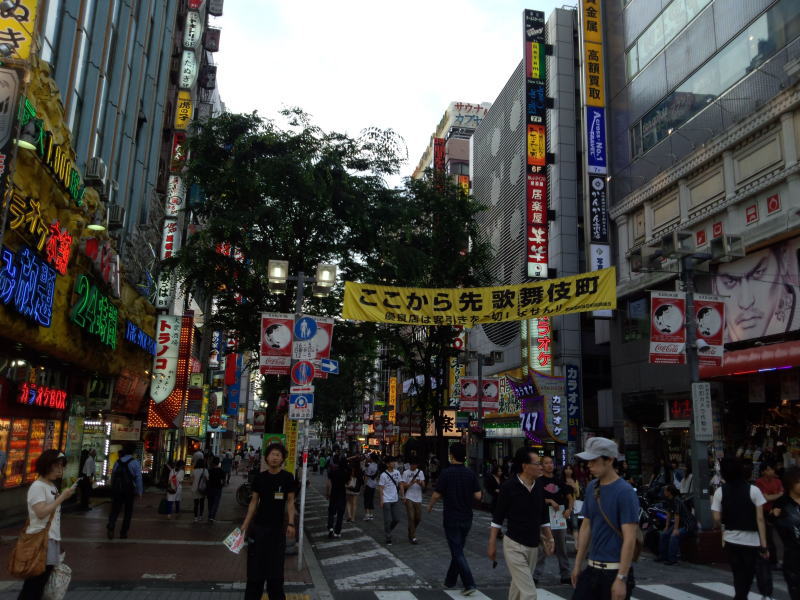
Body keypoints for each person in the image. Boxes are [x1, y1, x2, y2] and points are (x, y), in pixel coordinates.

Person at [571, 437, 639, 600]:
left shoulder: (625, 492)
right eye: (588, 461)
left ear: (609, 460)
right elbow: (586, 526)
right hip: (591, 569)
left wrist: (621, 578)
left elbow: (630, 538)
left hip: (614, 571)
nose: (589, 465)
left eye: (594, 460)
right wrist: (577, 564)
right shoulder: (592, 487)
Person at [488, 447, 555, 600]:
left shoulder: (539, 486)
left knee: (518, 588)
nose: (541, 467)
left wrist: (550, 538)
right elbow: (498, 517)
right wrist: (492, 543)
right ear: (525, 466)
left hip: (533, 545)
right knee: (529, 593)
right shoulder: (509, 487)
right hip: (514, 545)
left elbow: (543, 516)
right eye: (537, 464)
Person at [241, 443, 296, 600]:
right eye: (272, 454)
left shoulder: (287, 478)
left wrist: (291, 523)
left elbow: (290, 502)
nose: (274, 458)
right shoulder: (260, 478)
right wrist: (245, 525)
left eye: (278, 455)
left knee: (275, 574)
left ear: (282, 459)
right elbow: (254, 502)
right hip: (258, 530)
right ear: (266, 457)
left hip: (277, 532)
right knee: (255, 573)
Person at [711, 457, 770, 600]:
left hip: (731, 539)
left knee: (738, 574)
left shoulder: (720, 492)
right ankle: (741, 596)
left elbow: (717, 518)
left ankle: (740, 596)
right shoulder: (754, 490)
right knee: (748, 575)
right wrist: (764, 545)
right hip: (752, 541)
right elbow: (760, 519)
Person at [18, 450, 74, 600]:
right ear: (47, 465)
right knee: (34, 584)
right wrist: (61, 498)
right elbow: (41, 512)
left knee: (41, 583)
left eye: (61, 465)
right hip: (39, 541)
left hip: (50, 540)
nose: (60, 469)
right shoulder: (38, 486)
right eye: (57, 465)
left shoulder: (51, 486)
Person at [427, 443, 482, 596]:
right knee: (458, 549)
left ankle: (469, 583)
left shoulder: (446, 473)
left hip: (451, 516)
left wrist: (430, 506)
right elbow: (478, 496)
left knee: (457, 551)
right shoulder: (470, 473)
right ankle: (450, 580)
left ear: (451, 455)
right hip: (467, 516)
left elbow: (437, 494)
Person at [534, 455, 574, 585]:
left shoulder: (559, 481)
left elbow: (570, 497)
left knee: (562, 547)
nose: (549, 465)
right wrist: (550, 500)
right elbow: (535, 498)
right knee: (543, 547)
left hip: (559, 517)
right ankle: (535, 575)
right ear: (542, 466)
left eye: (551, 462)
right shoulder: (538, 482)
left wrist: (569, 509)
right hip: (545, 518)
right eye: (546, 463)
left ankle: (565, 574)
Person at [771, 465, 800, 600]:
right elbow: (772, 521)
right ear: (790, 484)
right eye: (798, 482)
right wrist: (774, 516)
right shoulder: (782, 503)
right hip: (793, 555)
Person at [106, 444, 143, 540]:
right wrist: (139, 491)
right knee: (128, 511)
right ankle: (123, 532)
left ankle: (111, 525)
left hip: (117, 489)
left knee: (115, 509)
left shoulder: (118, 462)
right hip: (129, 489)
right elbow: (138, 478)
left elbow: (113, 475)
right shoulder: (135, 462)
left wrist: (112, 487)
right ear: (133, 452)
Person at [755, 461, 784, 568]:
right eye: (768, 469)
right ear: (763, 472)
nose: (771, 471)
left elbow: (779, 495)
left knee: (781, 535)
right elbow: (765, 498)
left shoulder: (778, 481)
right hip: (764, 511)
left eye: (772, 469)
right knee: (768, 536)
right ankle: (771, 560)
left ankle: (779, 560)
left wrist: (774, 496)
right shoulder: (759, 482)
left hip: (777, 511)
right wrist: (778, 495)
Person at [656, 484, 692, 565]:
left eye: (665, 490)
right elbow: (668, 514)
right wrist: (666, 527)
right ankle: (662, 556)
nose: (664, 492)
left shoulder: (677, 501)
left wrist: (675, 529)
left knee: (673, 536)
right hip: (679, 524)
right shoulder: (668, 500)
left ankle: (672, 559)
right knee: (664, 534)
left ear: (669, 492)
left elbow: (677, 515)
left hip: (686, 524)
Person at [378, 456, 403, 545]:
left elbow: (400, 484)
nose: (394, 463)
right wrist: (381, 500)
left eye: (394, 462)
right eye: (392, 462)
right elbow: (381, 488)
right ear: (387, 464)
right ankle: (388, 537)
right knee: (387, 520)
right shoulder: (383, 475)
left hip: (395, 498)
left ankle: (388, 530)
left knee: (396, 519)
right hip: (386, 499)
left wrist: (403, 495)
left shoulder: (397, 472)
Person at [401, 458, 426, 544]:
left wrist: (420, 483)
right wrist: (411, 483)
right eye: (412, 464)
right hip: (409, 497)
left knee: (418, 518)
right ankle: (413, 537)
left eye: (415, 465)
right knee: (411, 517)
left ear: (417, 465)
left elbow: (424, 486)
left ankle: (411, 529)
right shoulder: (406, 473)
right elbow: (403, 485)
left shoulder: (420, 472)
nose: (413, 466)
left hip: (418, 498)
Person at [326, 456, 349, 538]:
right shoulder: (346, 473)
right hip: (342, 494)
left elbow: (329, 482)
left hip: (334, 493)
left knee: (331, 511)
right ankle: (337, 532)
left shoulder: (334, 472)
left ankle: (330, 527)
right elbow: (347, 483)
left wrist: (327, 492)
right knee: (340, 514)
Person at [206, 456, 225, 523]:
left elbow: (207, 479)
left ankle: (210, 515)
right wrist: (222, 485)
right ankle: (212, 516)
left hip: (210, 488)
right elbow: (223, 481)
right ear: (218, 463)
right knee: (216, 503)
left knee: (210, 503)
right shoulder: (221, 471)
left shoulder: (209, 470)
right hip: (218, 488)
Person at [191, 458, 208, 522]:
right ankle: (200, 516)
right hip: (202, 489)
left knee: (196, 504)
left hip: (194, 488)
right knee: (202, 503)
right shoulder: (205, 470)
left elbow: (191, 479)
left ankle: (195, 517)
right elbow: (207, 479)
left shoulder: (194, 470)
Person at [363, 454, 378, 521]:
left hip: (368, 484)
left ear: (371, 458)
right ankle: (371, 514)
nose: (368, 458)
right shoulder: (376, 465)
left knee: (366, 499)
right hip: (374, 484)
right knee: (371, 499)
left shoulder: (370, 466)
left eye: (369, 457)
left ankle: (367, 514)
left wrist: (364, 485)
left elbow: (366, 476)